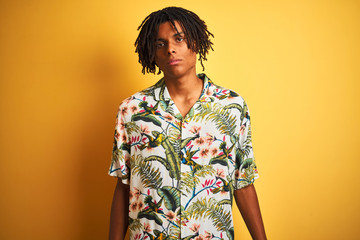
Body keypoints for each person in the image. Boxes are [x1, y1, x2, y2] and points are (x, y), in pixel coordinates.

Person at [109, 6, 267, 240]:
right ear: (152, 52)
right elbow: (124, 188)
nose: (170, 49)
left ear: (197, 42)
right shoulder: (132, 110)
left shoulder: (232, 107)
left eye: (179, 39)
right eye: (160, 44)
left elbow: (242, 183)